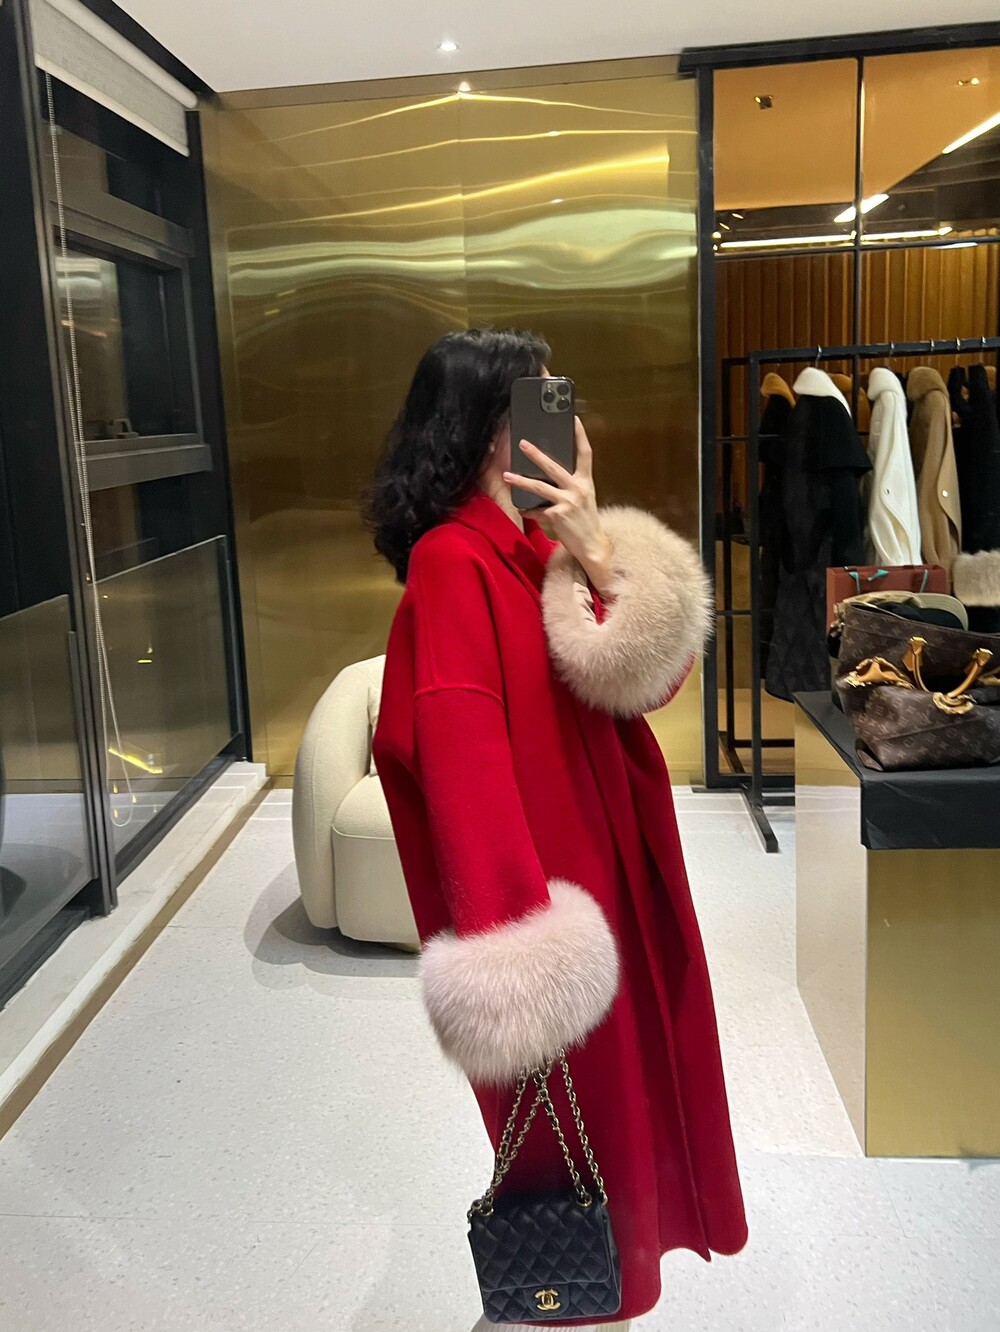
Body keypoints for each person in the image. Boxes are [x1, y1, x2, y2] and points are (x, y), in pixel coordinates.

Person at [367, 328, 747, 1329]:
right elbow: (462, 770)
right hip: (549, 909)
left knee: (629, 1111)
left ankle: (605, 1289)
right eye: (539, 404)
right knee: (578, 1138)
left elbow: (653, 682)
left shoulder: (539, 554)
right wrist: (520, 957)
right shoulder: (453, 565)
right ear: (487, 432)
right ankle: (572, 1303)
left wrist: (596, 549)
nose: (565, 425)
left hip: (610, 872)